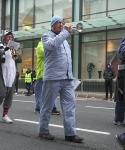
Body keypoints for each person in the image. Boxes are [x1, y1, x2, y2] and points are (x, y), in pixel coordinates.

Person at [38, 15, 84, 143]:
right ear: (52, 25)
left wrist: (66, 33)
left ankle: (70, 133)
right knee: (47, 106)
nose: (61, 24)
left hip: (67, 78)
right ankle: (43, 131)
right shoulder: (47, 36)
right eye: (58, 23)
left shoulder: (64, 39)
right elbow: (52, 45)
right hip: (53, 77)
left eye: (62, 22)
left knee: (70, 107)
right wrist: (65, 32)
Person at [0, 30, 22, 123]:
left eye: (11, 37)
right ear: (4, 37)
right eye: (8, 37)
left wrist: (14, 51)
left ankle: (5, 115)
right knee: (0, 94)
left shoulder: (12, 49)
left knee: (9, 96)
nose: (10, 38)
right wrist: (4, 50)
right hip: (1, 75)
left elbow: (19, 60)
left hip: (11, 75)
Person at [34, 40, 61, 115]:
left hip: (51, 74)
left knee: (53, 91)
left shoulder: (51, 45)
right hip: (41, 74)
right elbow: (44, 53)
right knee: (39, 92)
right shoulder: (40, 45)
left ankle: (53, 108)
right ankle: (38, 107)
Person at [114, 60, 125, 127]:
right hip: (122, 85)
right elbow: (120, 75)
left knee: (122, 102)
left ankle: (118, 119)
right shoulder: (124, 62)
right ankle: (118, 120)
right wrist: (120, 88)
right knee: (121, 102)